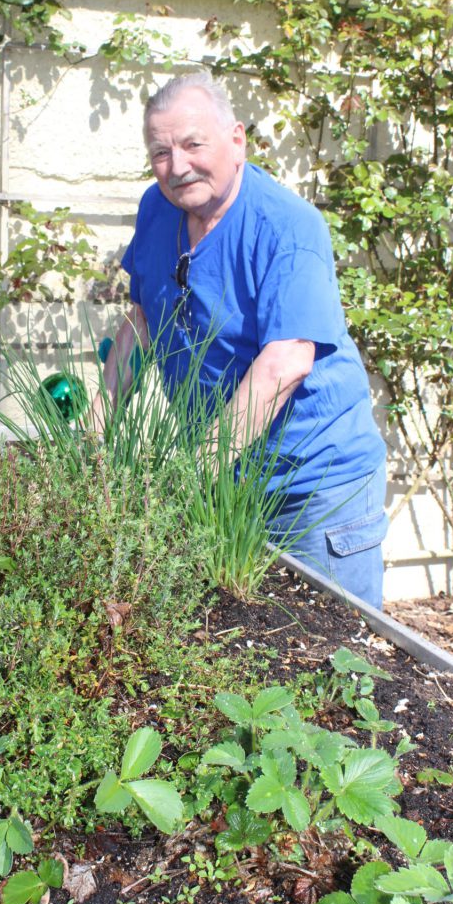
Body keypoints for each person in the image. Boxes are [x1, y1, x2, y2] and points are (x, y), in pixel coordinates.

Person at [91, 71, 388, 608]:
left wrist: (189, 472)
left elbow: (285, 364)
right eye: (160, 152)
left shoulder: (287, 226)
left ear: (237, 139)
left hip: (316, 489)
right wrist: (98, 418)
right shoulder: (158, 209)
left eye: (192, 145)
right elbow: (142, 318)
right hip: (228, 480)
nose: (177, 166)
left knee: (336, 670)